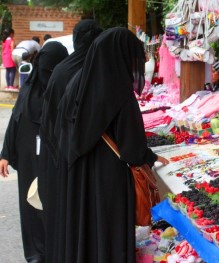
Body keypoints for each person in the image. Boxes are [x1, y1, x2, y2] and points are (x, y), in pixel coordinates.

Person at [54, 27, 169, 263]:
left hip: (81, 172)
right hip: (109, 178)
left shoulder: (80, 81)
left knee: (87, 228)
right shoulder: (119, 91)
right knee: (109, 232)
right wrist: (151, 157)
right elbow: (133, 149)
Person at [39, 19, 102, 263]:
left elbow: (49, 118)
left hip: (59, 157)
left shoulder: (61, 70)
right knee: (86, 216)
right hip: (90, 161)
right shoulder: (98, 70)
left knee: (66, 215)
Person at [0, 41, 68, 263]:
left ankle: (57, 250)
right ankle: (36, 255)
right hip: (29, 156)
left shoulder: (66, 87)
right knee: (31, 206)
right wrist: (5, 154)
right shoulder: (29, 88)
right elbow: (16, 118)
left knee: (54, 206)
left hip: (56, 157)